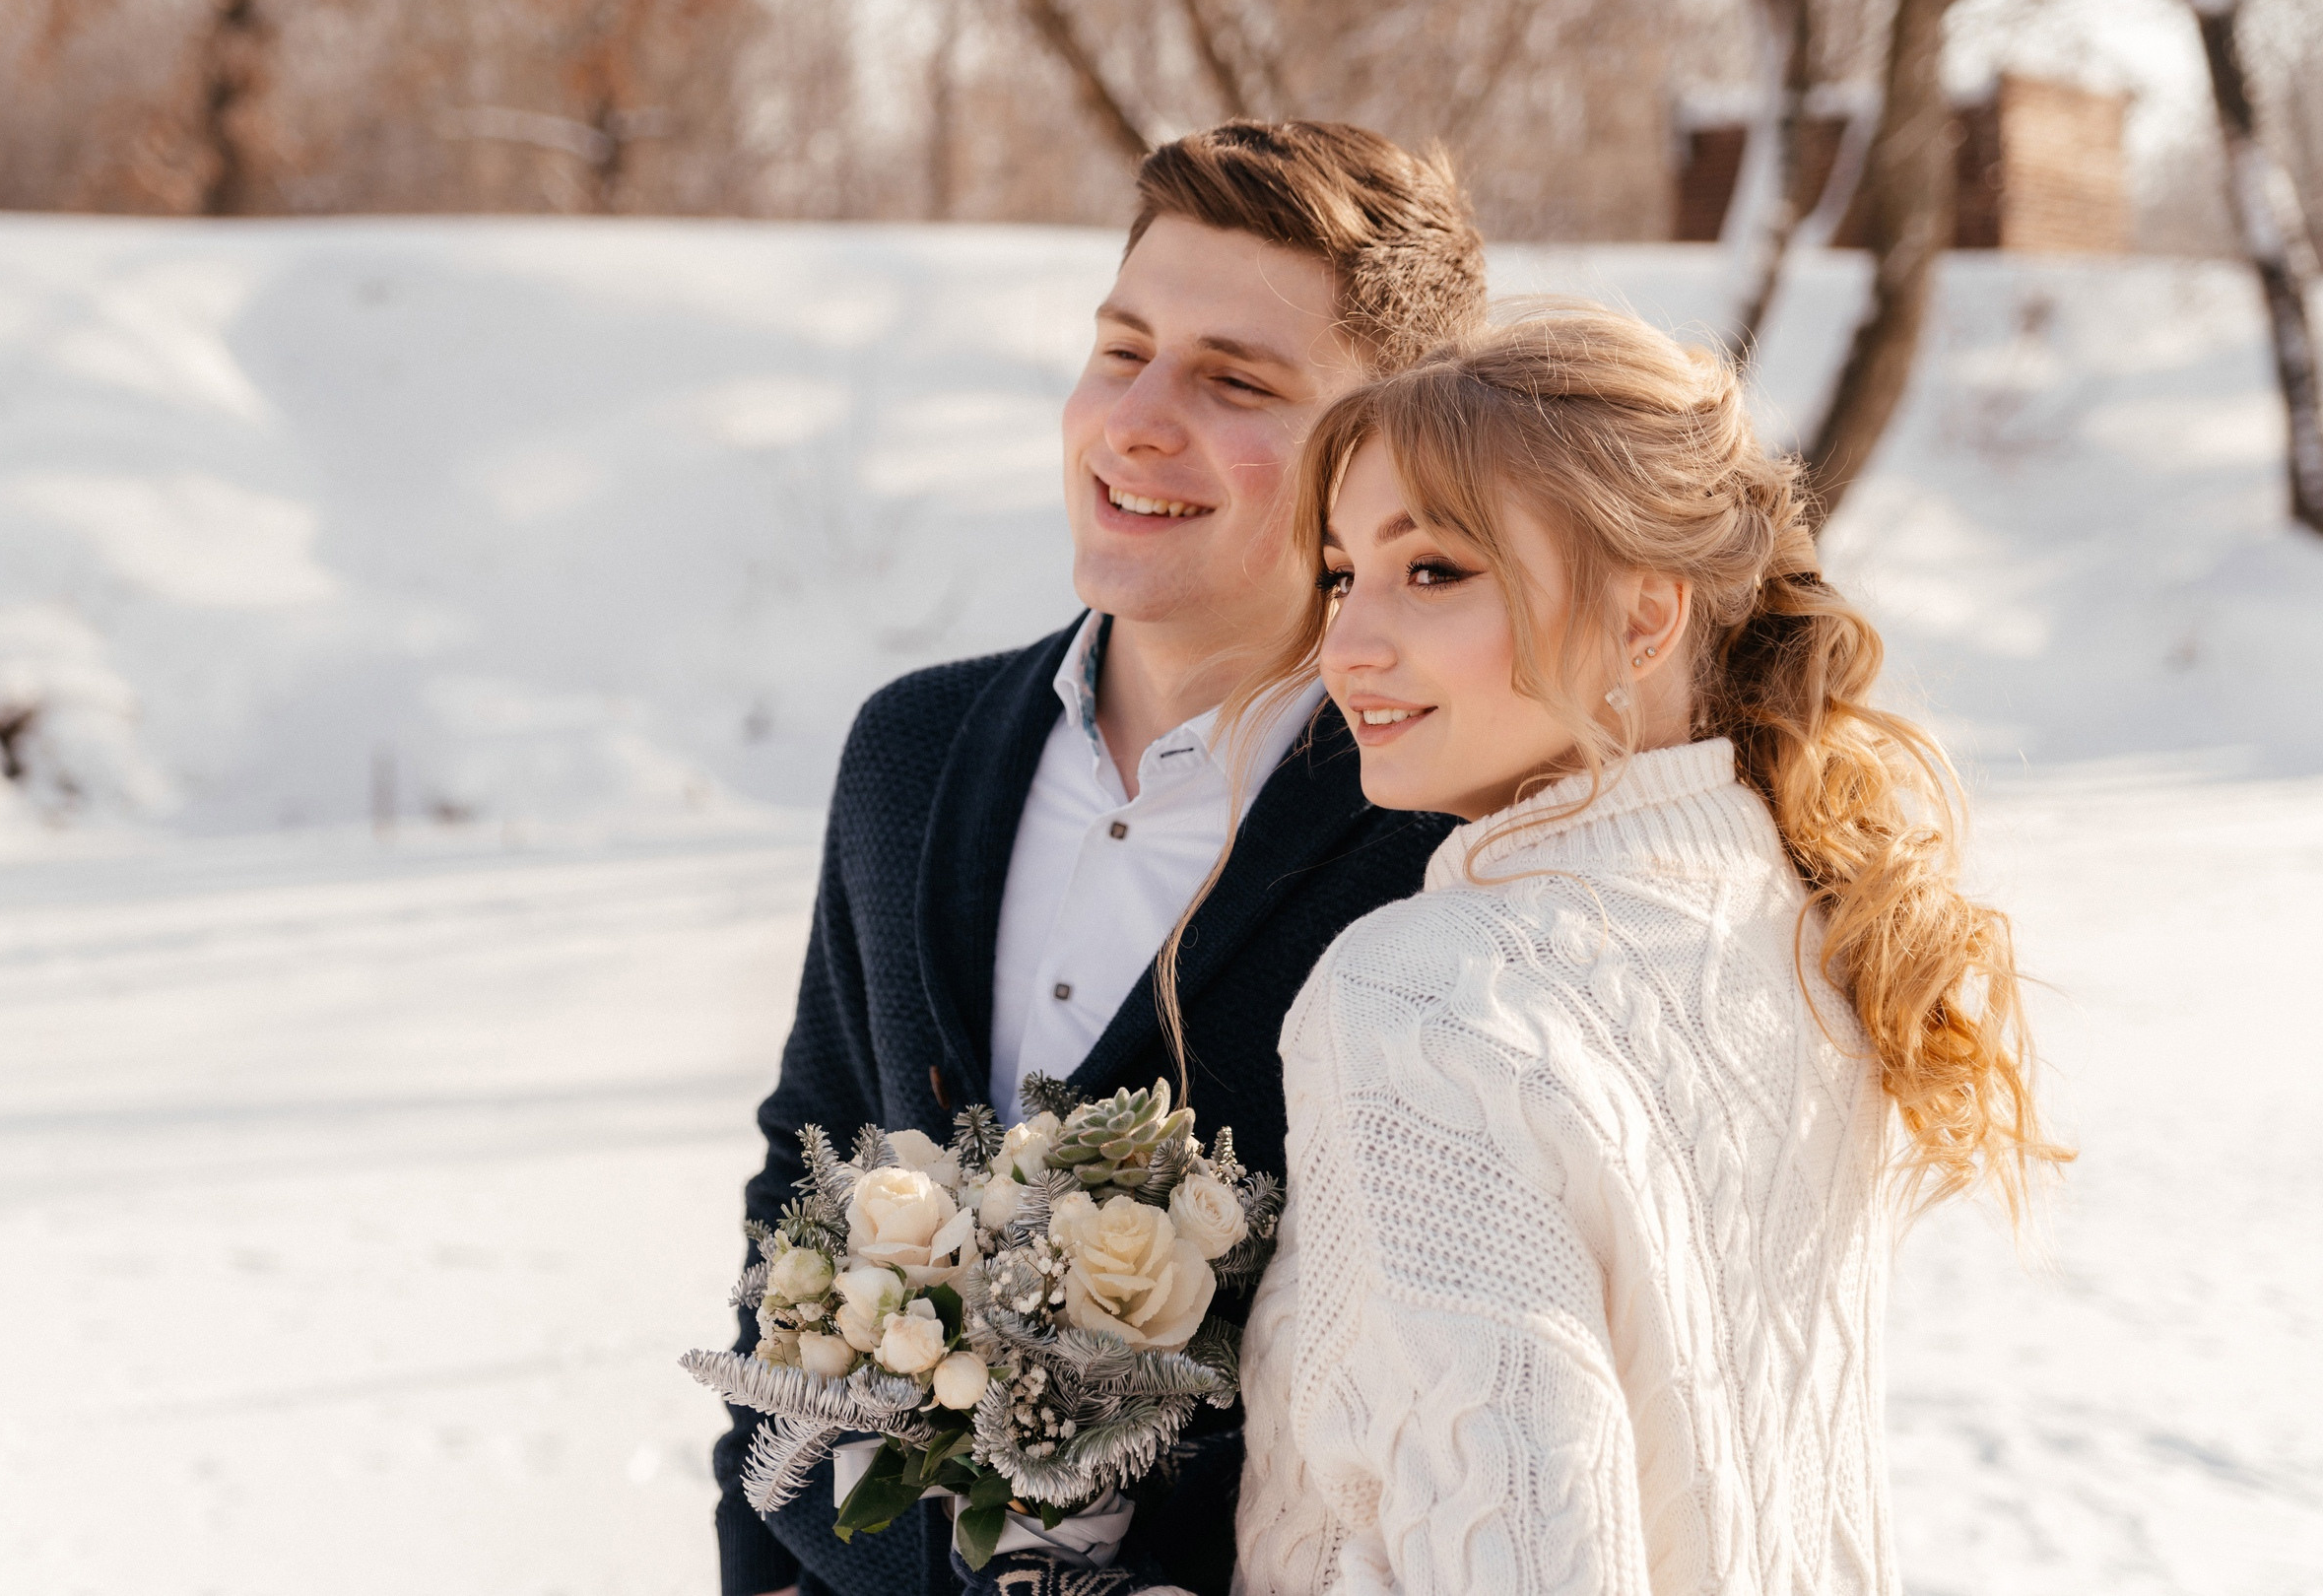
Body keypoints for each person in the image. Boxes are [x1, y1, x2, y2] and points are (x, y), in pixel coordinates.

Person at [712, 120, 1492, 1596]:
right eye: (1121, 348)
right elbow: (794, 1206)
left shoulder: (1440, 845)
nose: (1135, 419)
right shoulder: (910, 753)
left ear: (1372, 456)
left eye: (1235, 379)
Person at [1212, 303, 2069, 1593]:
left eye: (1432, 568)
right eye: (1342, 573)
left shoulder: (1427, 1001)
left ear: (1645, 617)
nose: (1349, 642)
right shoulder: (1805, 927)